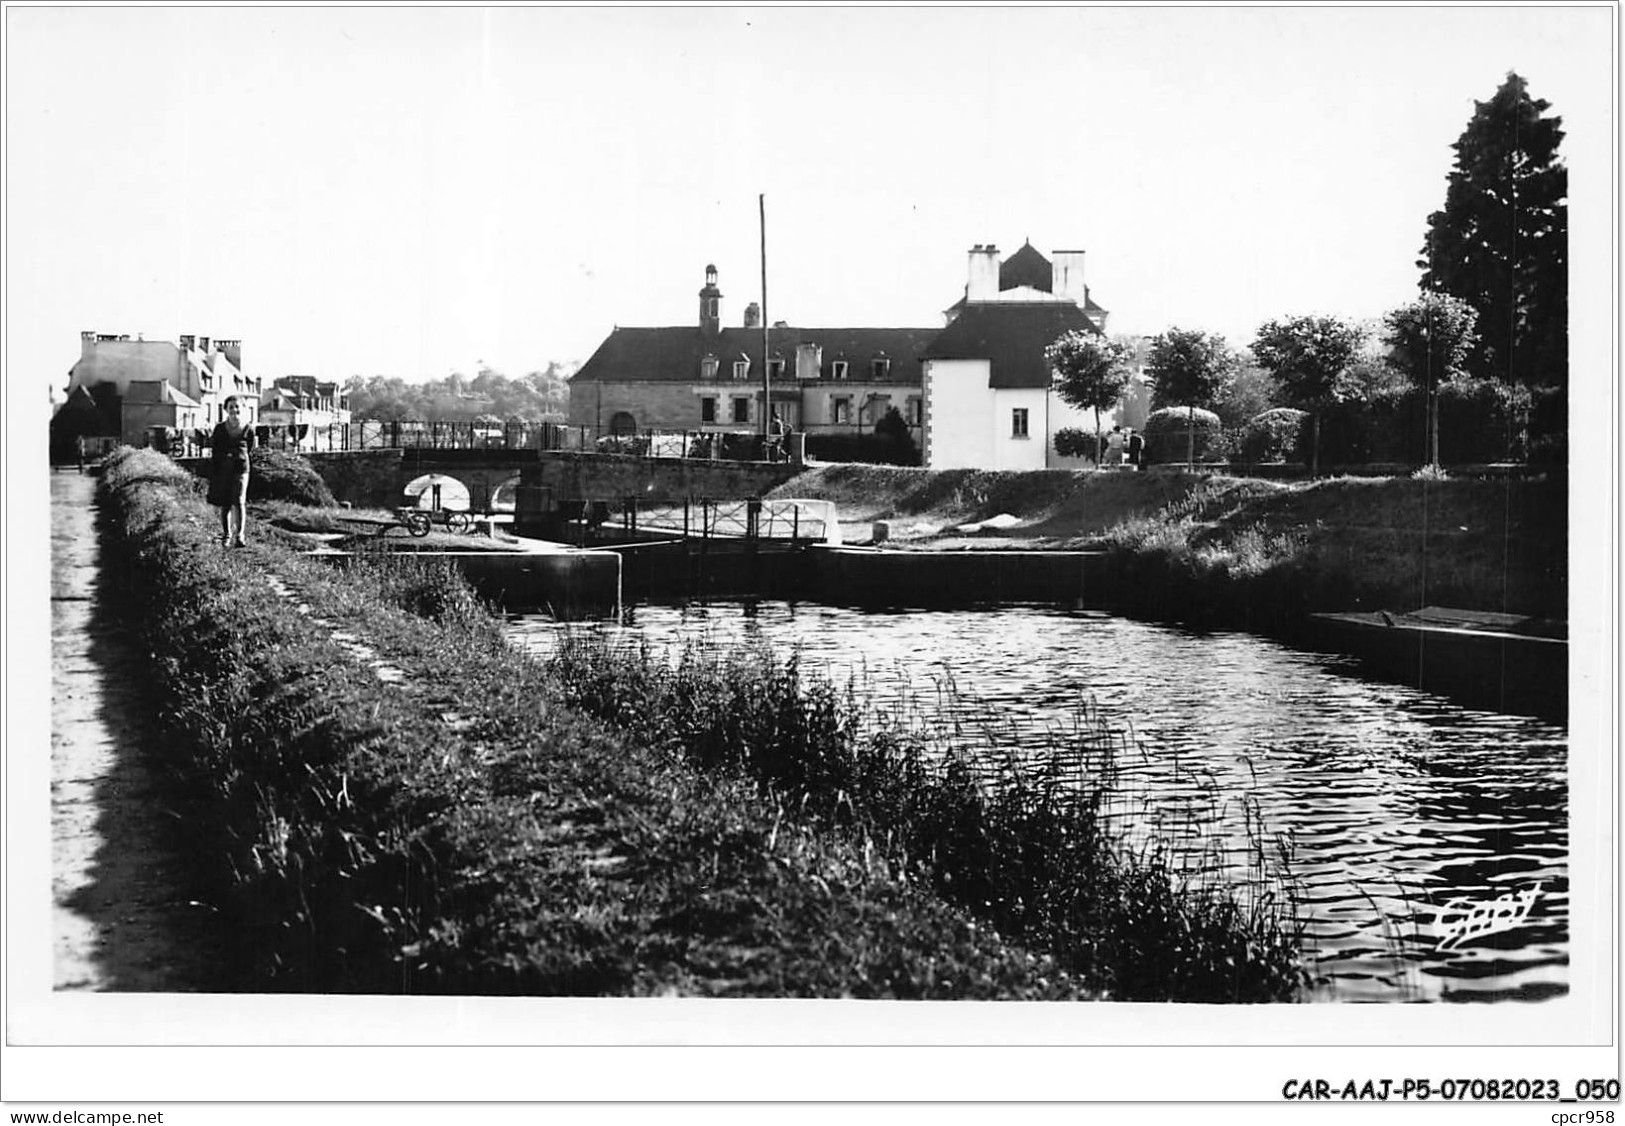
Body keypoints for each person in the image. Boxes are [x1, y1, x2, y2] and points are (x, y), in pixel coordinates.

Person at [208, 395, 257, 547]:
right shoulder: (220, 428)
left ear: (242, 409)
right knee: (226, 503)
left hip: (241, 468)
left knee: (240, 501)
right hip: (224, 469)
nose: (234, 410)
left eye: (237, 407)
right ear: (226, 410)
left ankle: (240, 536)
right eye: (231, 407)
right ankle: (226, 535)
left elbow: (250, 448)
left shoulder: (248, 428)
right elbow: (215, 449)